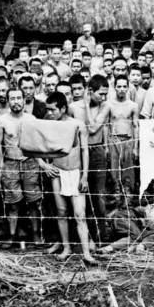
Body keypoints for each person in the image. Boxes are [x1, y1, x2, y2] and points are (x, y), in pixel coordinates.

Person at [42, 92, 96, 264]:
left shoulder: (78, 125)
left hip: (75, 172)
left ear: (63, 108)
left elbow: (85, 150)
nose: (50, 113)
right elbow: (33, 145)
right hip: (57, 172)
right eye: (48, 110)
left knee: (80, 214)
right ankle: (66, 247)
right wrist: (44, 165)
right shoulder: (47, 124)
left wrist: (85, 176)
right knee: (62, 212)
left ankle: (86, 252)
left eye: (53, 110)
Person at [0, 88, 42, 248]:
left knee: (33, 201)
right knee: (12, 203)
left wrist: (39, 163)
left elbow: (36, 144)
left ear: (24, 100)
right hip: (10, 163)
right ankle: (12, 235)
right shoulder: (2, 120)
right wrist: (1, 166)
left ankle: (36, 234)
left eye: (19, 98)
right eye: (12, 98)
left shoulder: (31, 118)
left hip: (29, 162)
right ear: (8, 101)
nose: (16, 101)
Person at [68, 74, 110, 243]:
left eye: (106, 93)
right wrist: (84, 105)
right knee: (80, 194)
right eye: (101, 93)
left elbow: (93, 128)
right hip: (79, 152)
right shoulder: (73, 107)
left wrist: (87, 105)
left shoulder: (105, 106)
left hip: (97, 150)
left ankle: (101, 236)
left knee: (99, 196)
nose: (104, 97)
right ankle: (84, 237)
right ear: (90, 91)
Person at [107, 75, 139, 206]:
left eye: (124, 86)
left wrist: (136, 147)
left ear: (128, 88)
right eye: (119, 86)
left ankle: (128, 199)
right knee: (114, 171)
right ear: (114, 87)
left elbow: (136, 126)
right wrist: (106, 146)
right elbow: (106, 126)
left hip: (128, 140)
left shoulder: (133, 105)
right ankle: (117, 198)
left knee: (128, 171)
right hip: (113, 140)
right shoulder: (108, 104)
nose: (121, 89)